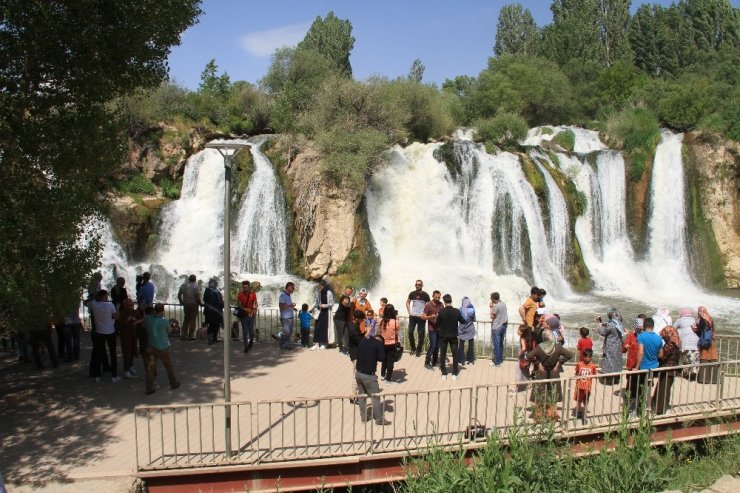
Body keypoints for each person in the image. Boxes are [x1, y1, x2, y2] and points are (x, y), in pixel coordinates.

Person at [527, 328, 573, 421]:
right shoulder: (558, 347)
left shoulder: (539, 347)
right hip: (554, 372)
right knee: (553, 395)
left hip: (542, 372)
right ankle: (552, 416)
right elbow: (570, 355)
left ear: (543, 337)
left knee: (539, 396)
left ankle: (538, 417)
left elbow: (529, 355)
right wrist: (559, 363)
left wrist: (538, 363)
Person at [144, 303, 180, 395]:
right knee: (168, 366)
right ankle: (173, 383)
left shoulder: (148, 319)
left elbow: (144, 326)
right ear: (163, 311)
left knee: (151, 368)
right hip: (163, 347)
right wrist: (172, 325)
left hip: (152, 346)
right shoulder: (164, 321)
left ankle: (149, 388)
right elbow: (169, 331)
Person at [355, 333, 389, 426]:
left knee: (362, 397)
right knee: (375, 397)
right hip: (369, 376)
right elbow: (382, 358)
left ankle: (364, 417)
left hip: (358, 373)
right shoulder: (378, 344)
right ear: (381, 341)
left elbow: (358, 353)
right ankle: (379, 420)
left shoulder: (364, 340)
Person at [634, 317, 663, 415]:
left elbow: (641, 352)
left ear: (644, 326)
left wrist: (637, 367)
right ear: (653, 326)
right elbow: (661, 355)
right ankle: (648, 407)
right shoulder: (659, 338)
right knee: (649, 387)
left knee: (641, 389)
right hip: (654, 366)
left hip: (643, 367)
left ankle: (639, 411)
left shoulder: (641, 336)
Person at [90, 289, 119, 383]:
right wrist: (117, 309)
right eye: (106, 296)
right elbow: (115, 316)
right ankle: (114, 376)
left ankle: (97, 375)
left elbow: (91, 300)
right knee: (113, 354)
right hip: (110, 331)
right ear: (105, 296)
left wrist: (96, 297)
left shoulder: (93, 305)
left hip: (99, 332)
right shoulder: (110, 305)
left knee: (98, 353)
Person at [652, 325, 681, 415]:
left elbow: (662, 355)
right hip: (671, 369)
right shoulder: (676, 342)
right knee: (664, 388)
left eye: (664, 335)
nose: (663, 337)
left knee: (663, 389)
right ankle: (659, 408)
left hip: (667, 370)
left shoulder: (670, 344)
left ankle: (660, 410)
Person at [437, 294, 465, 381]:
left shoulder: (441, 311)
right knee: (455, 355)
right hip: (453, 336)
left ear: (444, 302)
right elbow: (463, 321)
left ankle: (444, 373)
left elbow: (437, 322)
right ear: (451, 301)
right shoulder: (456, 311)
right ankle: (455, 373)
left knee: (443, 354)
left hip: (443, 336)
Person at [597, 307, 624, 385]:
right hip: (618, 346)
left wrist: (599, 324)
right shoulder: (618, 323)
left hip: (610, 346)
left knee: (608, 362)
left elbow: (602, 332)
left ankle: (607, 379)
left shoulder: (611, 324)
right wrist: (602, 322)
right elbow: (609, 324)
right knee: (616, 361)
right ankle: (616, 379)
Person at [623, 317, 644, 413]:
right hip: (632, 365)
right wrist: (625, 347)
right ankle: (630, 407)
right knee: (631, 385)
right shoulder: (631, 336)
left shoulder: (645, 336)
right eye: (638, 328)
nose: (640, 329)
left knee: (640, 386)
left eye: (641, 328)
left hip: (642, 365)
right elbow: (623, 350)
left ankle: (639, 408)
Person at [406, 280, 430, 358]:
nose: (417, 286)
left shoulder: (425, 295)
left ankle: (418, 351)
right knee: (410, 332)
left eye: (419, 285)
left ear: (422, 285)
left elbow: (429, 305)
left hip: (421, 317)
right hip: (413, 316)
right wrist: (409, 311)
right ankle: (413, 348)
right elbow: (407, 302)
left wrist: (425, 314)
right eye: (416, 284)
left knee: (421, 334)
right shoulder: (412, 293)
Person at [696, 306, 719, 384]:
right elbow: (712, 329)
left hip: (705, 342)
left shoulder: (702, 320)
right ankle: (714, 379)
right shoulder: (710, 318)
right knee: (713, 358)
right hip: (712, 342)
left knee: (704, 358)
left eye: (699, 311)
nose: (699, 313)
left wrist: (695, 329)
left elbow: (701, 332)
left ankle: (704, 379)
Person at [675, 307, 699, 379]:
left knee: (682, 357)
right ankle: (693, 372)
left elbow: (672, 328)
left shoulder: (679, 320)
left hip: (685, 341)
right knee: (694, 358)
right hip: (695, 341)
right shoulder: (693, 319)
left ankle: (681, 371)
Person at [574, 348, 597, 424]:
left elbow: (594, 374)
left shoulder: (593, 366)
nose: (587, 358)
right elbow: (577, 372)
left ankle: (585, 416)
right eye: (586, 356)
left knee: (586, 402)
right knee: (579, 401)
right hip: (580, 387)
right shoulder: (579, 364)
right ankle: (579, 412)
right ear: (583, 357)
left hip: (587, 388)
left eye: (589, 357)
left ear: (591, 357)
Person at [379, 304, 400, 384]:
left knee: (384, 360)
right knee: (390, 361)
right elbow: (397, 331)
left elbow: (379, 331)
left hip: (383, 343)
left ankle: (382, 374)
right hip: (392, 343)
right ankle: (388, 379)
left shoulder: (381, 320)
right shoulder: (395, 322)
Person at [422, 290, 444, 369]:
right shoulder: (428, 305)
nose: (438, 299)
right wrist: (431, 317)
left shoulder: (441, 304)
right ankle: (427, 362)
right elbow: (423, 316)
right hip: (432, 329)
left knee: (437, 346)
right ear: (433, 296)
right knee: (433, 346)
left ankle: (434, 361)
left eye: (439, 297)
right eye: (436, 297)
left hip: (439, 328)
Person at [178, 274, 202, 341]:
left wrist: (181, 302)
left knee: (186, 320)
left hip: (186, 304)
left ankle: (183, 335)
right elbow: (197, 297)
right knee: (192, 320)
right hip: (194, 305)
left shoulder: (184, 285)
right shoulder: (195, 286)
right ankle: (190, 336)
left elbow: (179, 295)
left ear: (189, 279)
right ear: (195, 279)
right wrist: (200, 304)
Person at [119, 298, 139, 378]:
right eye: (130, 305)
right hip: (125, 336)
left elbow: (139, 318)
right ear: (126, 306)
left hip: (133, 334)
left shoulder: (134, 312)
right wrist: (128, 320)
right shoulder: (122, 313)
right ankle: (126, 369)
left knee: (132, 351)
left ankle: (130, 366)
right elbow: (120, 326)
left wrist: (135, 319)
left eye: (132, 305)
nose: (132, 306)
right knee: (127, 352)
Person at [236, 280, 258, 352]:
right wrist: (245, 309)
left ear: (249, 287)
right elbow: (239, 304)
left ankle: (251, 341)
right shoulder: (240, 294)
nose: (244, 289)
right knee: (245, 331)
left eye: (246, 287)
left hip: (251, 315)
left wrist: (254, 310)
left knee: (251, 331)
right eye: (243, 287)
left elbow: (255, 303)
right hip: (244, 316)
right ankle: (246, 347)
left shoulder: (253, 294)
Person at [311, 279, 334, 349]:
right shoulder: (319, 292)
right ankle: (317, 343)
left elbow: (332, 303)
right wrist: (313, 308)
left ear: (324, 285)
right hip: (319, 312)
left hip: (326, 312)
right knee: (317, 327)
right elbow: (317, 302)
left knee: (325, 327)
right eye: (320, 285)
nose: (320, 287)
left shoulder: (329, 293)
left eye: (321, 285)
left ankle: (324, 343)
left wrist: (324, 305)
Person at [512, 325, 535, 393]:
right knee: (526, 371)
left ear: (522, 332)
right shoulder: (529, 338)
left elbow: (524, 348)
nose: (517, 331)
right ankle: (528, 385)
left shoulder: (522, 338)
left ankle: (515, 387)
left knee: (519, 370)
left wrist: (520, 353)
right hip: (527, 356)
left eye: (519, 330)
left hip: (523, 357)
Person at [202, 278, 224, 345]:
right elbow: (220, 302)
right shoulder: (216, 291)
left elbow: (204, 299)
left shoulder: (207, 290)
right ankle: (214, 338)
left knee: (211, 324)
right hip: (216, 311)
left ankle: (211, 336)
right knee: (216, 325)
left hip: (208, 311)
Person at [489, 292, 508, 367]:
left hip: (496, 327)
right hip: (503, 326)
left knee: (496, 345)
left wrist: (491, 308)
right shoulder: (503, 304)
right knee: (500, 344)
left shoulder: (496, 306)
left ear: (493, 298)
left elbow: (492, 317)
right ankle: (500, 359)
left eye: (491, 298)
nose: (491, 299)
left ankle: (496, 362)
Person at [457, 297, 476, 366]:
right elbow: (474, 319)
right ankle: (471, 361)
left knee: (461, 345)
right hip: (470, 329)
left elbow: (458, 319)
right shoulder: (472, 310)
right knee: (471, 345)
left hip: (462, 329)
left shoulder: (460, 309)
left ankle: (461, 361)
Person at [278, 282, 296, 350]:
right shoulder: (283, 295)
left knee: (289, 332)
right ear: (288, 287)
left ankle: (283, 344)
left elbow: (287, 305)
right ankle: (286, 345)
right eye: (292, 288)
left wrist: (292, 308)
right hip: (285, 317)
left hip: (290, 316)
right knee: (287, 332)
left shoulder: (288, 295)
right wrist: (290, 305)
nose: (293, 289)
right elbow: (281, 306)